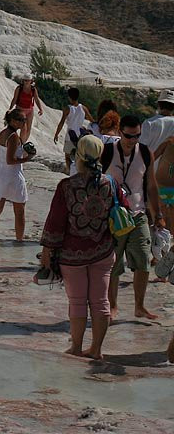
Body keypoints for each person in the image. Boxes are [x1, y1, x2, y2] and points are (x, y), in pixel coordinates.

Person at [40, 136, 118, 360]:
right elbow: (124, 208)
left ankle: (76, 347)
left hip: (72, 255)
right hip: (103, 250)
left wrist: (47, 252)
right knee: (101, 300)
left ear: (78, 155)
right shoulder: (110, 182)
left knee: (77, 302)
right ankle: (96, 349)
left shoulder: (67, 186)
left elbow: (55, 223)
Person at [103, 115, 161, 320]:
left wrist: (158, 214)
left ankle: (139, 306)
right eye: (128, 136)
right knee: (114, 263)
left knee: (143, 260)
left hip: (138, 214)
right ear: (120, 133)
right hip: (113, 215)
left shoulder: (145, 153)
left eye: (136, 136)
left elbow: (152, 185)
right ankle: (113, 306)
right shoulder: (108, 151)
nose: (132, 140)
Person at [0, 110, 33, 245]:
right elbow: (10, 160)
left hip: (2, 175)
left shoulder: (3, 133)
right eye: (22, 120)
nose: (24, 123)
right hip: (13, 176)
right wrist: (27, 159)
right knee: (19, 211)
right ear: (13, 121)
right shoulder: (13, 137)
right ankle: (19, 241)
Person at [53, 88, 93, 174]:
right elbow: (91, 119)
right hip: (80, 135)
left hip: (70, 135)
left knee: (68, 156)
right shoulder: (83, 108)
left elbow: (62, 122)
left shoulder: (68, 108)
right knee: (79, 156)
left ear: (69, 97)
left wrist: (56, 134)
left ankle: (70, 172)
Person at [8, 77, 44, 144]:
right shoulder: (19, 88)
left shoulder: (33, 89)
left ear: (31, 81)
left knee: (28, 128)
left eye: (28, 80)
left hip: (30, 110)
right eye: (25, 80)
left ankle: (22, 143)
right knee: (22, 127)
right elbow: (15, 99)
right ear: (23, 81)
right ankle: (16, 141)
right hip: (20, 109)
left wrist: (40, 109)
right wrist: (10, 108)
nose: (26, 82)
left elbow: (36, 99)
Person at [142, 90, 174, 157]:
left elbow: (141, 146)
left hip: (149, 164)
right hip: (168, 165)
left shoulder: (149, 122)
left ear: (159, 104)